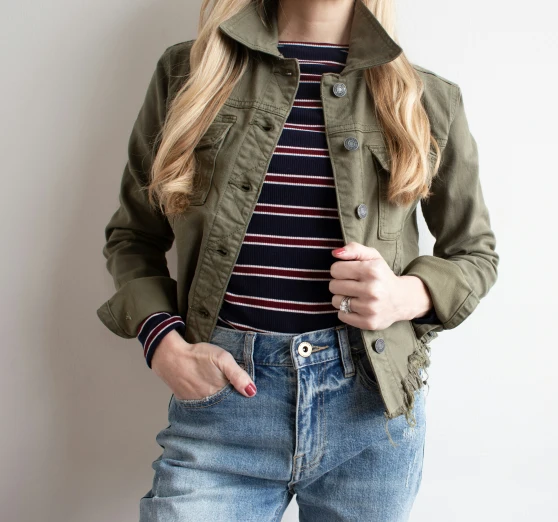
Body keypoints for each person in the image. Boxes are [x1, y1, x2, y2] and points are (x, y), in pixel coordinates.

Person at [97, 0, 499, 519]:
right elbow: (133, 235)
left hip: (371, 412)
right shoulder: (188, 75)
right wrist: (163, 345)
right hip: (223, 405)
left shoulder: (425, 98)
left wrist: (404, 295)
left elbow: (475, 254)